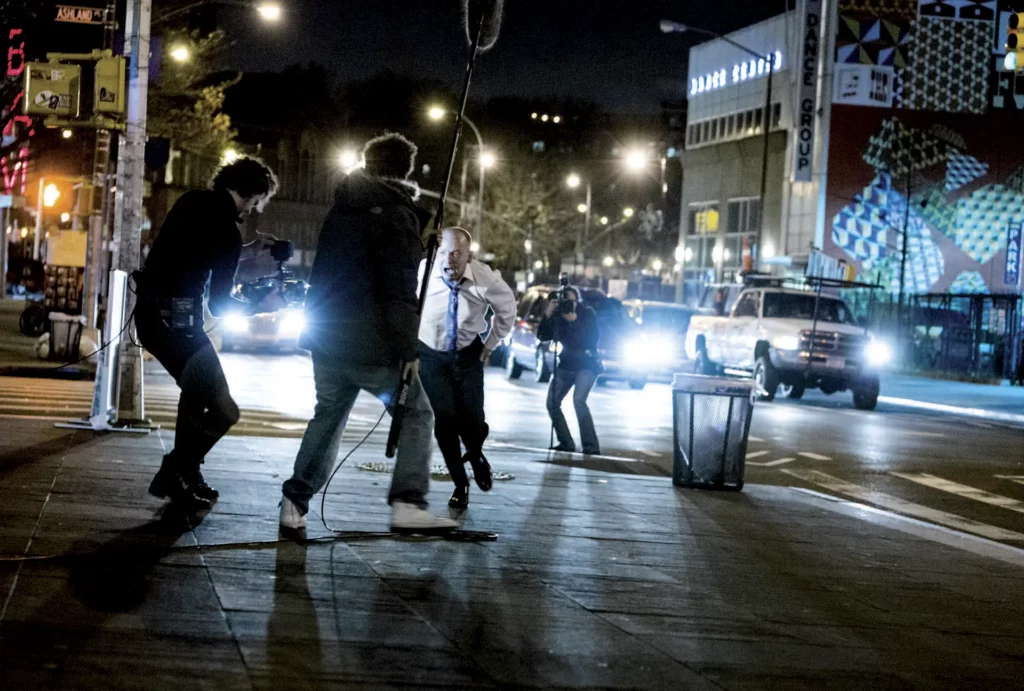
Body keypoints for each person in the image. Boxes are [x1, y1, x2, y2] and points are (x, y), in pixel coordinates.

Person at [280, 133, 458, 534]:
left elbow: (355, 264)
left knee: (328, 415)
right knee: (416, 414)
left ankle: (294, 502)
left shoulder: (342, 207)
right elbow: (395, 286)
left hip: (327, 333)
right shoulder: (396, 213)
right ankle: (408, 503)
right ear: (407, 170)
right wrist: (407, 348)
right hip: (370, 340)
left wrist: (416, 244)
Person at [135, 156, 281, 510]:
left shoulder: (190, 201)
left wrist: (242, 254)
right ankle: (175, 470)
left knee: (195, 393)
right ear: (252, 194)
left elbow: (192, 251)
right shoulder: (228, 231)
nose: (258, 209)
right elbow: (220, 303)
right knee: (224, 410)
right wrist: (260, 303)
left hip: (152, 315)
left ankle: (188, 474)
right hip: (179, 325)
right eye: (259, 201)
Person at [417, 227, 516, 509]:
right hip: (431, 353)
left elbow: (507, 311)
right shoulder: (425, 272)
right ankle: (460, 484)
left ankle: (476, 453)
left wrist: (489, 345)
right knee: (444, 420)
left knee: (473, 419)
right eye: (446, 253)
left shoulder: (484, 278)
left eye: (457, 253)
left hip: (467, 352)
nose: (450, 260)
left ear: (469, 255)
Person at [538, 287, 602, 455]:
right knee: (552, 403)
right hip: (566, 364)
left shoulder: (587, 314)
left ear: (577, 300)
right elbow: (543, 336)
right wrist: (548, 314)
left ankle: (591, 446)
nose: (568, 305)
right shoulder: (558, 316)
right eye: (565, 302)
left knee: (578, 401)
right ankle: (566, 441)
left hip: (586, 365)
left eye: (571, 301)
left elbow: (591, 340)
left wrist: (574, 322)